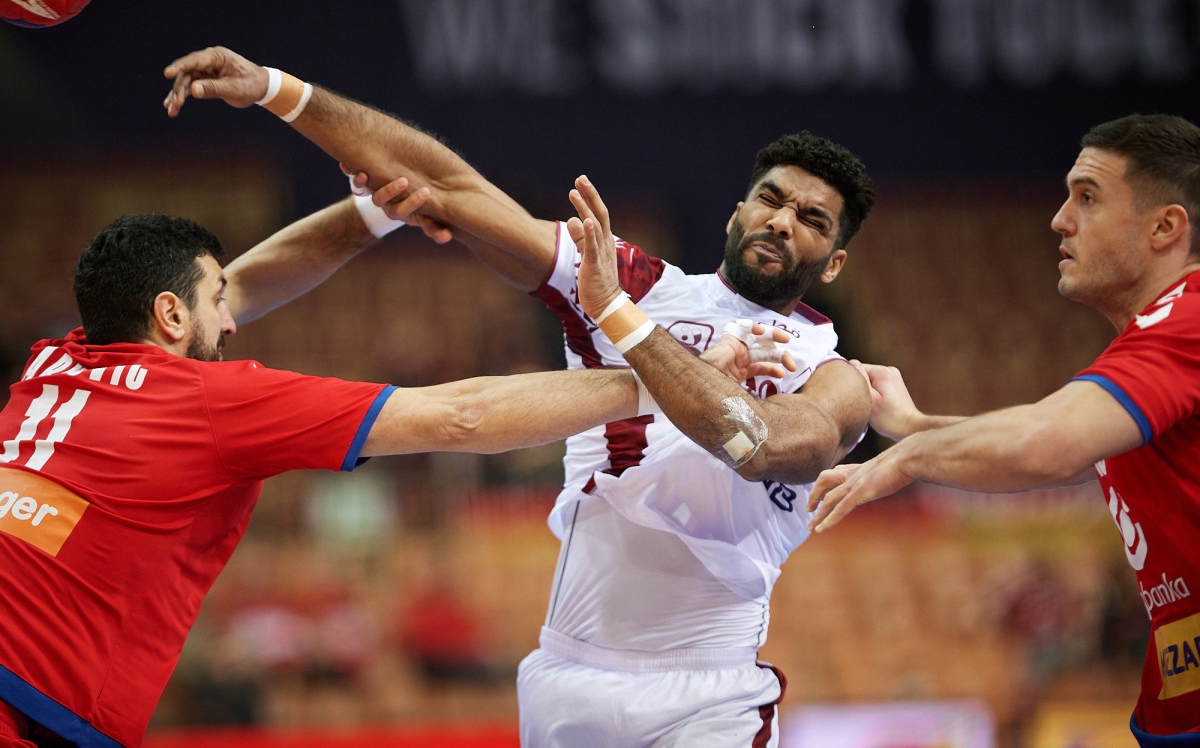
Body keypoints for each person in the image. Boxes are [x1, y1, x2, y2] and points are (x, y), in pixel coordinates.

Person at [162, 45, 874, 747]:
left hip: (709, 694)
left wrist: (615, 317)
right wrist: (278, 89)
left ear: (835, 261)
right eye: (772, 200)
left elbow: (761, 446)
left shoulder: (836, 373)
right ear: (735, 213)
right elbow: (448, 185)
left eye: (812, 220)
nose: (782, 221)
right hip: (568, 676)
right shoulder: (641, 282)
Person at [0, 188, 780, 747]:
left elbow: (247, 280)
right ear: (170, 316)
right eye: (214, 300)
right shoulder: (206, 400)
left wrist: (372, 211)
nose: (233, 316)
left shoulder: (52, 366)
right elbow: (459, 415)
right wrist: (662, 378)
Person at [804, 114, 1200, 745]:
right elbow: (1065, 445)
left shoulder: (1188, 319)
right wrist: (913, 425)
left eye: (1088, 197)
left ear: (1164, 227)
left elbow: (1049, 442)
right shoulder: (1158, 340)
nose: (1060, 219)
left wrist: (905, 458)